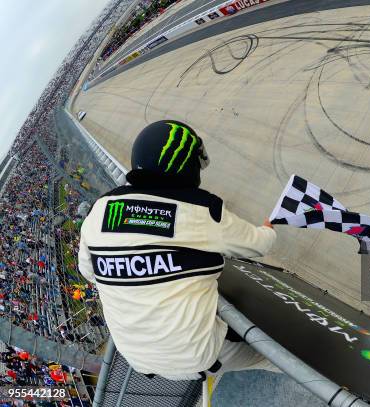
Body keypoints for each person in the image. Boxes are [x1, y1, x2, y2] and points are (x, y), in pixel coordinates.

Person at [77, 120, 277, 380]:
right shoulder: (199, 209)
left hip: (139, 360)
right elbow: (258, 245)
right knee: (278, 357)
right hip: (198, 355)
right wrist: (268, 229)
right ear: (188, 167)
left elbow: (87, 271)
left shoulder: (99, 211)